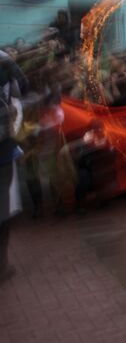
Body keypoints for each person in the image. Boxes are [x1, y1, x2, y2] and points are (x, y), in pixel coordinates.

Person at [0, 51, 27, 283]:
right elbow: (22, 87)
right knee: (3, 207)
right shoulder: (4, 60)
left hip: (4, 150)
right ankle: (2, 264)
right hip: (3, 150)